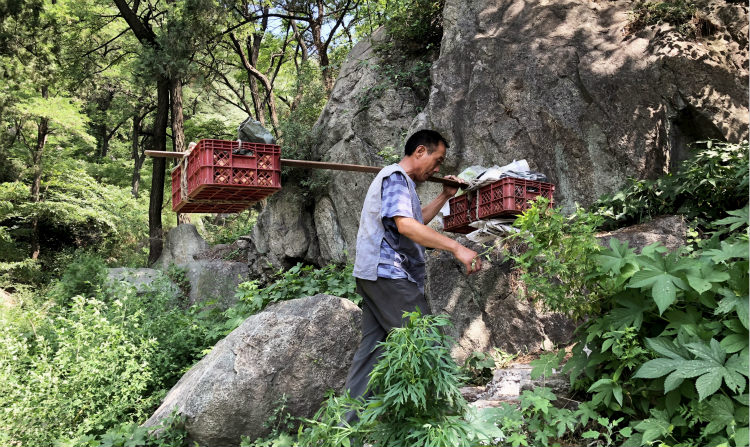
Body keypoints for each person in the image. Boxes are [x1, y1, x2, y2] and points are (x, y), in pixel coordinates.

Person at [343, 129, 482, 422]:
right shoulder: (396, 178)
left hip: (374, 276)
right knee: (427, 343)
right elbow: (406, 226)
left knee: (371, 355)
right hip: (388, 274)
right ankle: (448, 423)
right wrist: (457, 248)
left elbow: (413, 221)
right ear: (420, 152)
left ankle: (345, 431)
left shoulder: (400, 183)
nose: (438, 168)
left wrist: (445, 195)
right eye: (437, 159)